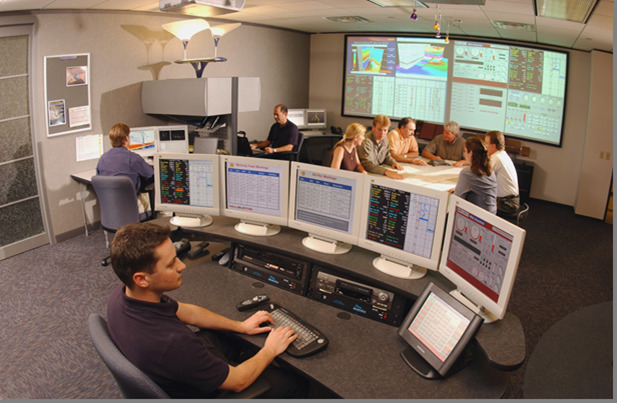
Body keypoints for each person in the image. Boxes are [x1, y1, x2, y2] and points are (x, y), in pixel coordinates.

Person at [106, 222, 309, 399]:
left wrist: (241, 326)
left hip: (174, 366)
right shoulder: (172, 343)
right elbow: (238, 382)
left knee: (231, 338)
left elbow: (188, 313)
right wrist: (270, 350)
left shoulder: (122, 296)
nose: (182, 266)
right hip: (201, 392)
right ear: (141, 279)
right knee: (293, 383)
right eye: (171, 264)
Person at [96, 122, 154, 218]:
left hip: (110, 207)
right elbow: (150, 174)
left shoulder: (103, 158)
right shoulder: (133, 158)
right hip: (131, 205)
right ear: (127, 138)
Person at [451, 137, 497, 214]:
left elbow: (457, 200)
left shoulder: (467, 173)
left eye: (465, 151)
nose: (464, 154)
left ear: (471, 153)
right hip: (491, 215)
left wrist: (457, 190)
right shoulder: (490, 171)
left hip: (477, 218)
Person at [357, 114, 405, 180]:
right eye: (379, 129)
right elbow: (367, 165)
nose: (382, 133)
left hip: (377, 173)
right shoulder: (366, 141)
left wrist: (393, 162)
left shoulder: (385, 139)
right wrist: (386, 172)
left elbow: (387, 156)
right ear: (373, 127)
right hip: (366, 175)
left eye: (385, 130)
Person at [485, 130, 520, 215]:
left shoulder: (496, 158)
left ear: (493, 146)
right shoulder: (502, 155)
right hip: (512, 200)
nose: (485, 147)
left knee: (475, 201)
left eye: (486, 144)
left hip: (506, 203)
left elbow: (482, 178)